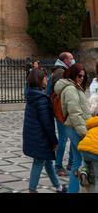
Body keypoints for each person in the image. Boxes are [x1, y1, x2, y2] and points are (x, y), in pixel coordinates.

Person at [23, 68, 66, 193]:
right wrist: (54, 140)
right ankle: (32, 190)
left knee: (47, 162)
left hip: (34, 135)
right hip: (40, 137)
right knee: (39, 162)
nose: (47, 79)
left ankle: (58, 187)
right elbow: (47, 123)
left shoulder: (32, 94)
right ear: (39, 80)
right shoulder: (41, 99)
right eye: (45, 77)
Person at [54, 63, 91, 193]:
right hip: (76, 128)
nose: (81, 78)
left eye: (83, 76)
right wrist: (85, 133)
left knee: (76, 161)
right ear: (73, 74)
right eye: (79, 75)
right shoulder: (70, 89)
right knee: (87, 161)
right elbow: (75, 113)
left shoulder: (74, 87)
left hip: (75, 127)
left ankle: (72, 190)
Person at [49, 52, 75, 177]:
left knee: (72, 138)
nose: (73, 60)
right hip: (62, 111)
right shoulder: (60, 72)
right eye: (71, 58)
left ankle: (71, 163)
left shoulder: (64, 70)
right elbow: (60, 92)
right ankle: (58, 166)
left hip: (67, 110)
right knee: (63, 139)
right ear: (65, 60)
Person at [78, 94, 98, 192]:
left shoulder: (91, 123)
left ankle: (84, 171)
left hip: (84, 149)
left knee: (86, 157)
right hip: (95, 152)